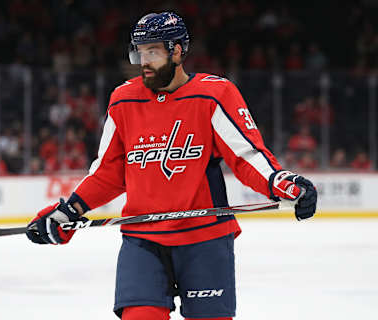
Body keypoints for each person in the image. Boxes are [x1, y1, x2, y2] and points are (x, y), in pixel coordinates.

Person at [26, 12, 318, 320]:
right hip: (143, 239)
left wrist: (281, 182)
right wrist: (69, 210)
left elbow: (245, 156)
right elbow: (108, 172)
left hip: (204, 239)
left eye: (152, 51)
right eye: (139, 52)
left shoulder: (213, 94)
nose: (144, 62)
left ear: (177, 51)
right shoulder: (123, 100)